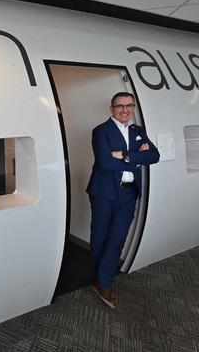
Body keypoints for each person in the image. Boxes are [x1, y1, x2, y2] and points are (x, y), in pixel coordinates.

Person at [86, 92, 160, 309]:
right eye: (120, 106)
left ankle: (103, 281)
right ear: (111, 109)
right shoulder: (101, 131)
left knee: (118, 237)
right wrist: (137, 157)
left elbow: (154, 156)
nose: (125, 110)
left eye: (129, 106)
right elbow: (105, 162)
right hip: (104, 192)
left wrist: (125, 154)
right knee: (100, 235)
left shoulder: (138, 131)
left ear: (133, 108)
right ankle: (100, 279)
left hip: (129, 193)